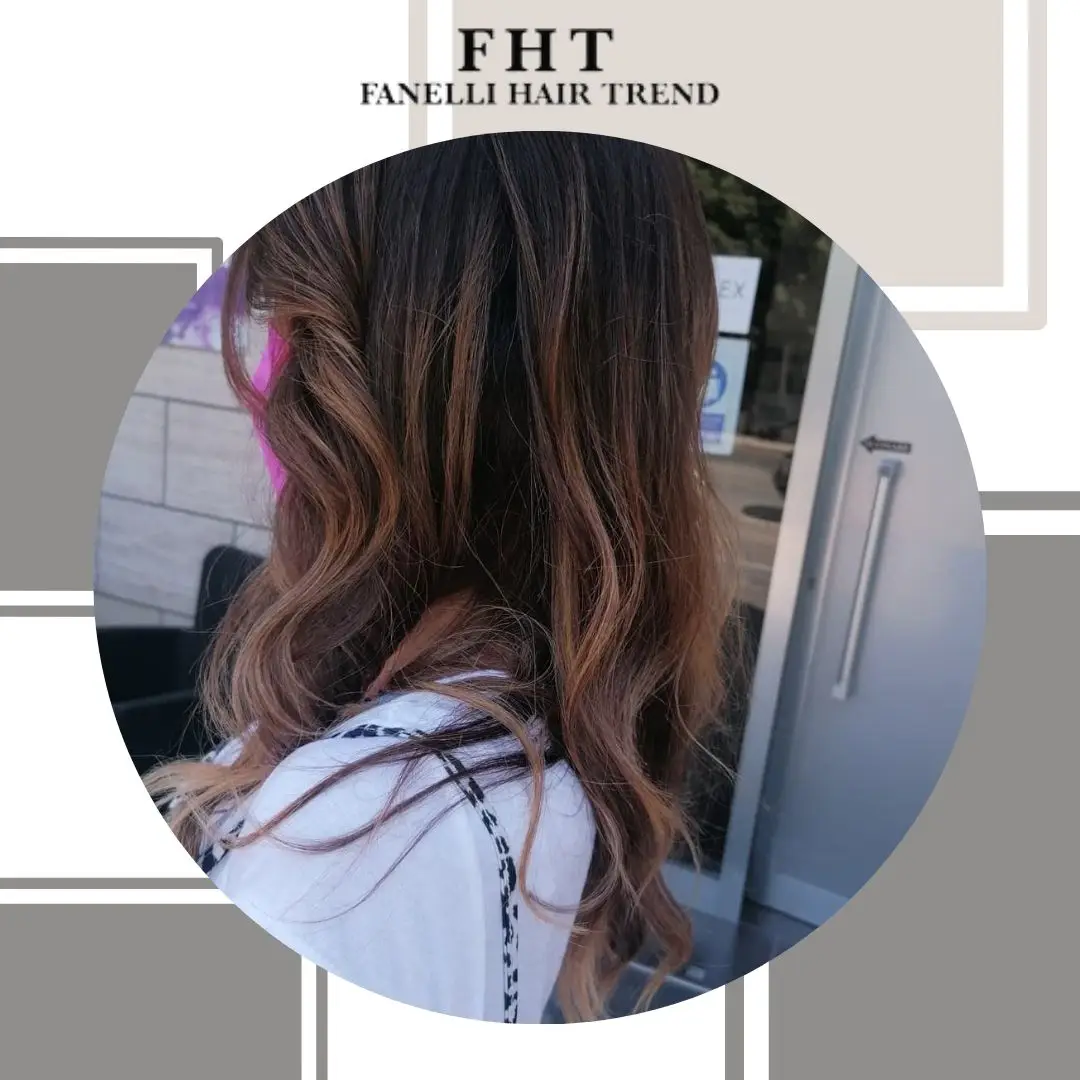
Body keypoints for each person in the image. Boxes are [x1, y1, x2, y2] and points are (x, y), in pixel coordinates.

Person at [145, 131, 740, 1024]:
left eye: (285, 315)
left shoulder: (339, 854)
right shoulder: (529, 706)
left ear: (354, 382)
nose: (265, 378)